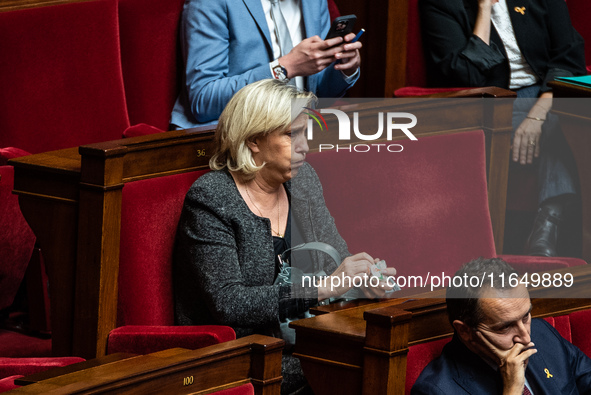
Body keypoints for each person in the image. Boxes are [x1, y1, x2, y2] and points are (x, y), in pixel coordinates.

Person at [173, 79, 396, 394]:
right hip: (245, 362)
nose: (305, 145)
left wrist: (363, 280)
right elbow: (229, 303)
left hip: (310, 348)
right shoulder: (212, 198)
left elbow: (337, 255)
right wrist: (323, 287)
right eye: (292, 135)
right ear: (253, 140)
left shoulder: (303, 179)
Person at [420, 0, 586, 257]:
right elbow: (467, 78)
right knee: (567, 124)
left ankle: (548, 224)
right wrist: (484, 9)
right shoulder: (443, 4)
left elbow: (570, 55)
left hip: (548, 93)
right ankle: (550, 221)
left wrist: (538, 115)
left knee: (567, 118)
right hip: (494, 102)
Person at [169, 0, 362, 129]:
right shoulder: (211, 3)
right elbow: (204, 100)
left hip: (297, 130)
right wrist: (284, 68)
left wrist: (344, 68)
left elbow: (318, 92)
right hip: (233, 134)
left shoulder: (314, 2)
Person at [412, 258, 591, 394]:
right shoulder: (436, 389)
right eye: (505, 328)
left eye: (526, 316)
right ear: (465, 331)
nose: (526, 337)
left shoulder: (542, 333)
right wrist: (512, 389)